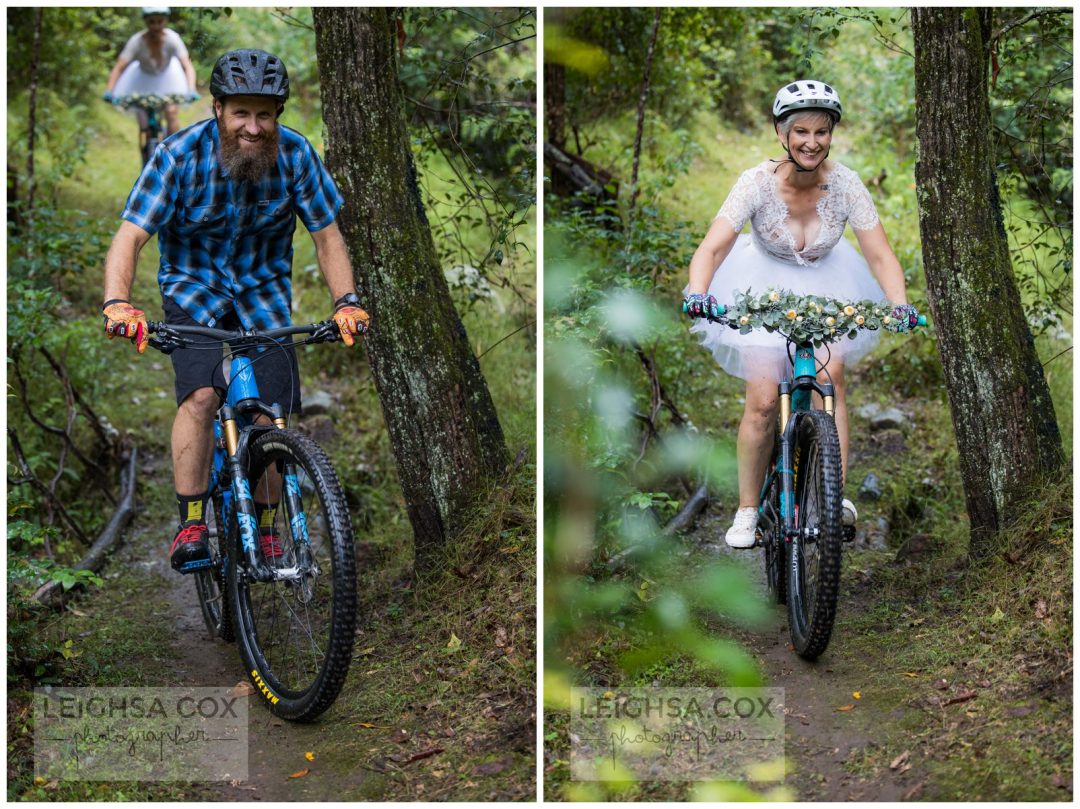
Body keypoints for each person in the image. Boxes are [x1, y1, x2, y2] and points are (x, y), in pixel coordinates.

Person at [101, 48, 370, 573]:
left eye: (265, 114)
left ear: (278, 116)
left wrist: (347, 303)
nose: (253, 127)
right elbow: (129, 237)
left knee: (269, 414)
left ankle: (268, 530)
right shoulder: (177, 155)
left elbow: (328, 236)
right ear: (218, 108)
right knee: (202, 396)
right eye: (241, 113)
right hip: (193, 290)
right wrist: (117, 302)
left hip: (264, 294)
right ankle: (192, 523)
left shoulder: (294, 156)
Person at [682, 79, 917, 549]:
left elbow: (880, 255)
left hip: (829, 286)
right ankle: (748, 508)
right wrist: (700, 291)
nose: (812, 142)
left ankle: (835, 496)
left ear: (831, 134)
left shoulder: (846, 183)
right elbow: (711, 248)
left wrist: (900, 303)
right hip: (762, 286)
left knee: (831, 381)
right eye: (802, 131)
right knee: (765, 400)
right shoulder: (755, 184)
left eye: (822, 131)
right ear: (781, 134)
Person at [103, 7, 198, 135]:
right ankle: (146, 148)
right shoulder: (137, 41)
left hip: (169, 79)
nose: (156, 26)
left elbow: (187, 65)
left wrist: (191, 88)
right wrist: (110, 90)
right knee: (144, 122)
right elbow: (119, 67)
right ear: (146, 22)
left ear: (165, 21)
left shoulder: (173, 39)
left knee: (171, 112)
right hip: (142, 80)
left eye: (160, 21)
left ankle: (173, 149)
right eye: (151, 22)